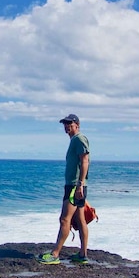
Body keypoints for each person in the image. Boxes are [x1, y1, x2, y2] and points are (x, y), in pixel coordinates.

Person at [38, 113, 90, 265]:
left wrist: (80, 184)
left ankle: (55, 254)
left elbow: (85, 161)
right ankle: (82, 255)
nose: (67, 126)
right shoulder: (74, 140)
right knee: (80, 221)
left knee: (64, 219)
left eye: (70, 123)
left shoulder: (80, 139)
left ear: (77, 125)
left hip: (75, 186)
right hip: (76, 185)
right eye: (65, 124)